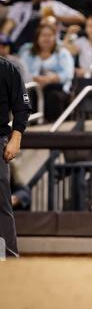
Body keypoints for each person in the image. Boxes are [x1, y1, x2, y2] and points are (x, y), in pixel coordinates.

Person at [0, 54, 31, 258]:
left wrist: (16, 138)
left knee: (1, 201)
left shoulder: (7, 68)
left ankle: (10, 257)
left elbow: (22, 107)